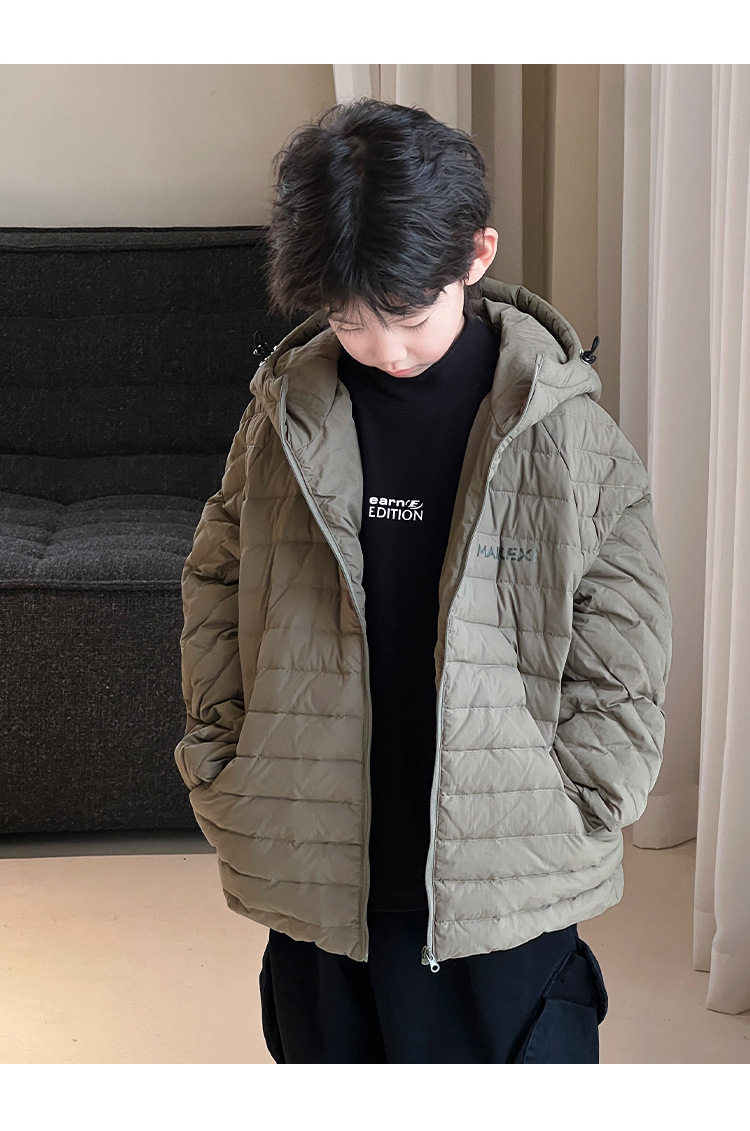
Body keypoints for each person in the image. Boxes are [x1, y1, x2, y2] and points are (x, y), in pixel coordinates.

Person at [174, 97, 673, 1064]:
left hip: (507, 871)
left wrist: (586, 796)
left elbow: (625, 641)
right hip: (320, 859)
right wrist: (223, 747)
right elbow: (217, 579)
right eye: (348, 319)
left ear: (477, 255)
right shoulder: (283, 420)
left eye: (405, 315)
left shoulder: (567, 434)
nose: (383, 348)